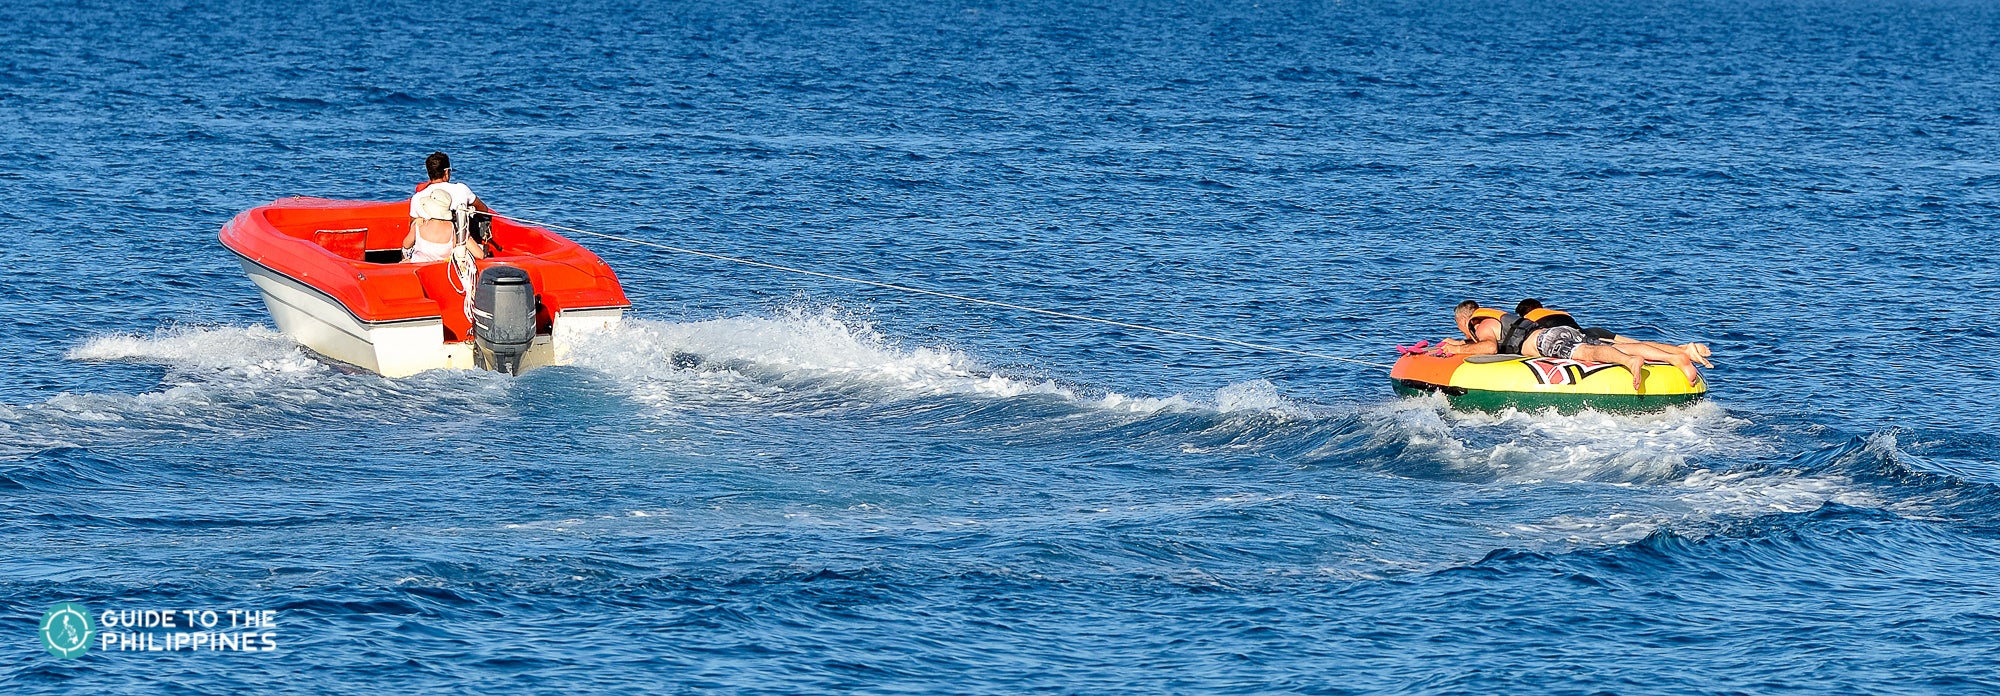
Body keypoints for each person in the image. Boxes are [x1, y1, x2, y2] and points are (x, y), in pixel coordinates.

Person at [1439, 300, 1702, 390]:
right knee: (1624, 344)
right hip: (1560, 331)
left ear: (1464, 320)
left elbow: (1488, 348)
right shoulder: (1495, 320)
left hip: (1545, 341)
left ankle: (1629, 362)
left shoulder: (1481, 325)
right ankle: (1675, 356)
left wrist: (1457, 350)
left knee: (1589, 352)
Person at [1514, 299, 1712, 367]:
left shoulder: (1528, 321)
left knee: (1607, 351)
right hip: (1585, 330)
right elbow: (1630, 341)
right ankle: (1681, 350)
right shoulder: (1558, 312)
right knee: (1632, 345)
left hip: (1559, 336)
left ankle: (1678, 353)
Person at [401, 152, 492, 263]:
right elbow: (483, 209)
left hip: (422, 256)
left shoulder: (417, 198)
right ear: (446, 172)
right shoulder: (461, 189)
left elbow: (411, 228)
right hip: (452, 250)